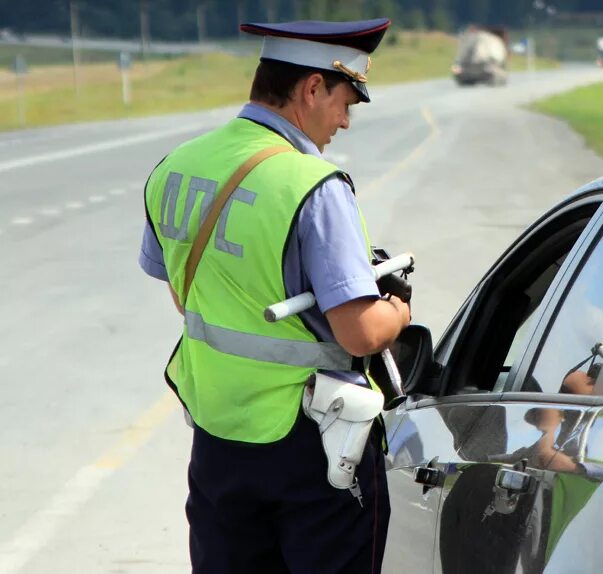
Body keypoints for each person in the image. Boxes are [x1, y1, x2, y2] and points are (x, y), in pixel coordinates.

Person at [137, 17, 410, 574]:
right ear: (312, 88)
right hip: (312, 444)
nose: (345, 121)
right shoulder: (314, 183)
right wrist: (398, 311)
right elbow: (358, 331)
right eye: (345, 101)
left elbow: (187, 296)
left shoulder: (177, 165)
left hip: (218, 436)